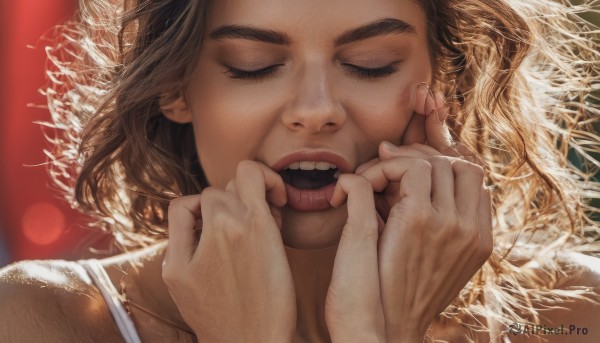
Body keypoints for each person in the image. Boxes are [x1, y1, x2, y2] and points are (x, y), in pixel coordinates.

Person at [1, 0, 599, 341]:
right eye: (254, 65)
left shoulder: (580, 315)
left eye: (370, 64)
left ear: (444, 77)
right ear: (175, 88)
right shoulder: (39, 320)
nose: (316, 111)